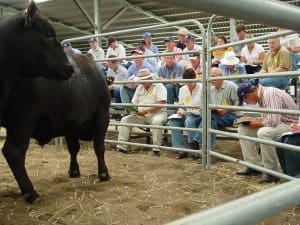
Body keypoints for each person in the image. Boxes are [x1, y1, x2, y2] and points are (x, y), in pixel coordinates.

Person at [236, 79, 297, 183]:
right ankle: (253, 165)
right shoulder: (262, 95)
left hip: (290, 126)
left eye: (245, 100)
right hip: (280, 123)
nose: (246, 102)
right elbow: (272, 118)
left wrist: (257, 123)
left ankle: (271, 172)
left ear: (248, 95)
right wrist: (253, 120)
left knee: (264, 132)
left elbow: (273, 121)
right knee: (243, 129)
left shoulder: (269, 93)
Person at [116, 69, 167, 156]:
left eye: (144, 80)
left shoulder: (159, 86)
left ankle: (156, 149)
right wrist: (131, 109)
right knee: (125, 120)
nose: (142, 82)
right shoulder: (140, 88)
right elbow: (134, 103)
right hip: (141, 114)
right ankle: (121, 147)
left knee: (157, 121)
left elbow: (161, 103)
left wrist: (146, 111)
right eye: (141, 81)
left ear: (150, 78)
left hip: (157, 113)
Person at [190, 67, 239, 151]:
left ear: (221, 76)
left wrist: (226, 110)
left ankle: (196, 140)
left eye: (213, 76)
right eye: (210, 76)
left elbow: (239, 105)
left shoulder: (231, 87)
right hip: (214, 116)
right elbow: (205, 104)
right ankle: (209, 152)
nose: (211, 79)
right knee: (210, 121)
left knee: (208, 117)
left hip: (231, 116)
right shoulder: (209, 88)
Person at [168, 68, 202, 159]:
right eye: (186, 82)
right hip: (186, 114)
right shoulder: (183, 89)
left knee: (189, 121)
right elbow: (181, 104)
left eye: (190, 82)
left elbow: (202, 108)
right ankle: (181, 149)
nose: (188, 84)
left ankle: (193, 149)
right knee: (173, 122)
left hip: (198, 115)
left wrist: (187, 111)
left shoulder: (202, 88)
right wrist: (181, 110)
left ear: (195, 79)